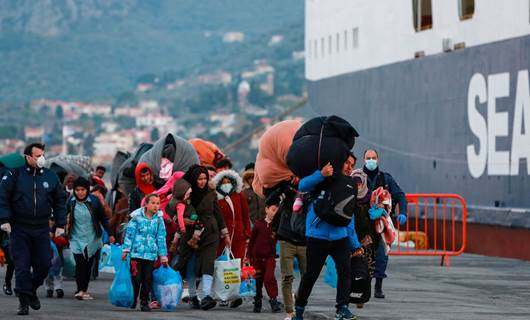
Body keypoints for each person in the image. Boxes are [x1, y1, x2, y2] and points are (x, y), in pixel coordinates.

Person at [292, 154, 363, 320]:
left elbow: (349, 216)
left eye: (352, 165)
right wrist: (321, 174)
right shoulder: (323, 178)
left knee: (345, 272)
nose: (349, 167)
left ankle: (342, 308)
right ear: (339, 162)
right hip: (317, 235)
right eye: (346, 162)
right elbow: (302, 185)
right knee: (311, 275)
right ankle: (299, 308)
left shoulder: (350, 185)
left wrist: (355, 244)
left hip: (340, 236)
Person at [0, 143, 67, 316]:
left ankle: (30, 290)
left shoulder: (51, 177)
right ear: (27, 157)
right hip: (19, 228)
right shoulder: (14, 175)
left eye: (42, 154)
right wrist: (4, 219)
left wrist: (60, 224)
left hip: (41, 228)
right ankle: (23, 302)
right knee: (21, 266)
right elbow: (3, 197)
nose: (41, 158)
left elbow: (60, 200)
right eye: (37, 156)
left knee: (45, 263)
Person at [176, 165, 230, 311]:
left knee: (208, 263)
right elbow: (176, 210)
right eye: (199, 179)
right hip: (191, 234)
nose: (202, 182)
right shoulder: (186, 193)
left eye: (205, 178)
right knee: (192, 264)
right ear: (194, 179)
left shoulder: (211, 193)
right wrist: (182, 221)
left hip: (211, 232)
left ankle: (206, 296)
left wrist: (225, 233)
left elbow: (218, 213)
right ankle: (193, 295)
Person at [361, 149, 407, 299]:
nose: (371, 161)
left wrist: (403, 213)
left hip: (382, 223)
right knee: (364, 254)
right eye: (368, 158)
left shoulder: (386, 179)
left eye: (373, 158)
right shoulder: (358, 178)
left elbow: (400, 196)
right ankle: (364, 285)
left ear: (378, 160)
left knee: (382, 253)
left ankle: (378, 286)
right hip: (363, 222)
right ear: (363, 160)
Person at [66, 177, 114, 300]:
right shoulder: (71, 202)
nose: (80, 192)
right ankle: (80, 290)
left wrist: (111, 234)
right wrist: (55, 229)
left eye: (82, 190)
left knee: (88, 265)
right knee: (80, 263)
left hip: (92, 238)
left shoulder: (94, 201)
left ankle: (83, 289)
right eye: (77, 190)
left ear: (87, 190)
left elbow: (103, 219)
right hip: (76, 238)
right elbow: (62, 215)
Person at [121, 193, 168, 312]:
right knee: (136, 279)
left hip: (151, 255)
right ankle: (133, 298)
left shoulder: (159, 220)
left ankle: (144, 302)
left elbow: (161, 238)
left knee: (147, 279)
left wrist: (163, 256)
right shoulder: (136, 217)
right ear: (146, 204)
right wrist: (126, 250)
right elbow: (129, 234)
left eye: (158, 203)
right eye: (153, 203)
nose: (156, 206)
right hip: (136, 254)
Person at [269, 178, 307, 320]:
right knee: (287, 277)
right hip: (286, 238)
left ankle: (297, 298)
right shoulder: (287, 189)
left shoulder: (310, 188)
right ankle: (289, 312)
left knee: (306, 277)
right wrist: (283, 186)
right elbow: (270, 200)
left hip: (304, 239)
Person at [213, 169, 251, 308]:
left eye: (229, 182)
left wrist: (247, 233)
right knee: (222, 265)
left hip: (239, 236)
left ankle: (235, 295)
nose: (226, 184)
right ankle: (223, 295)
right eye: (223, 182)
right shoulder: (215, 197)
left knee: (237, 265)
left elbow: (246, 216)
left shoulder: (239, 195)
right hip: (221, 237)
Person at [248, 193, 283, 313]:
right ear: (266, 209)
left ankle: (273, 300)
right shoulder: (258, 224)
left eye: (277, 211)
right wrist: (248, 256)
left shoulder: (277, 226)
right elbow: (252, 241)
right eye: (273, 210)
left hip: (269, 257)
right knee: (258, 280)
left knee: (269, 278)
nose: (275, 213)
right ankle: (257, 300)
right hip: (256, 258)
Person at [1, 229, 14, 296]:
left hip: (20, 239)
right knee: (12, 262)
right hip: (6, 240)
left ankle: (20, 288)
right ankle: (8, 284)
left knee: (21, 264)